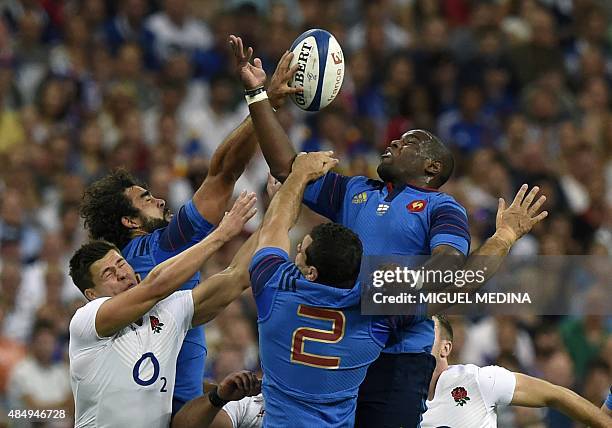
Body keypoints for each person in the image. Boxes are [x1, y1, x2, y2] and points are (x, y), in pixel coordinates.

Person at [229, 35, 546, 427]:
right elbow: (288, 169)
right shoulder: (355, 190)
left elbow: (450, 268)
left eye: (411, 142)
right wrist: (257, 94)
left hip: (397, 354)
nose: (395, 140)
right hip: (343, 343)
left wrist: (501, 240)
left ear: (432, 169)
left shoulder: (441, 207)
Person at [195, 150, 546, 428]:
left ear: (310, 271)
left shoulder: (275, 295)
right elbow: (458, 287)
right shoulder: (371, 323)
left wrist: (297, 177)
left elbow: (273, 230)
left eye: (300, 250)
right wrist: (504, 237)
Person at [78, 60, 300, 414]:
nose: (161, 200)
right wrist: (264, 99)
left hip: (180, 407)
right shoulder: (154, 248)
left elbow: (235, 277)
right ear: (129, 221)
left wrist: (281, 209)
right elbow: (223, 173)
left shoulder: (143, 266)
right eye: (146, 199)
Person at [68, 192, 259, 427]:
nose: (120, 273)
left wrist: (283, 204)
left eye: (120, 264)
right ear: (92, 295)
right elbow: (155, 286)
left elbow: (237, 276)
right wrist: (221, 234)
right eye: (108, 274)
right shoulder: (87, 321)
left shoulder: (168, 312)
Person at [421, 316, 612, 428]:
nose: (417, 340)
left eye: (426, 333)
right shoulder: (394, 395)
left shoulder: (477, 380)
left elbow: (555, 394)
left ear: (445, 348)